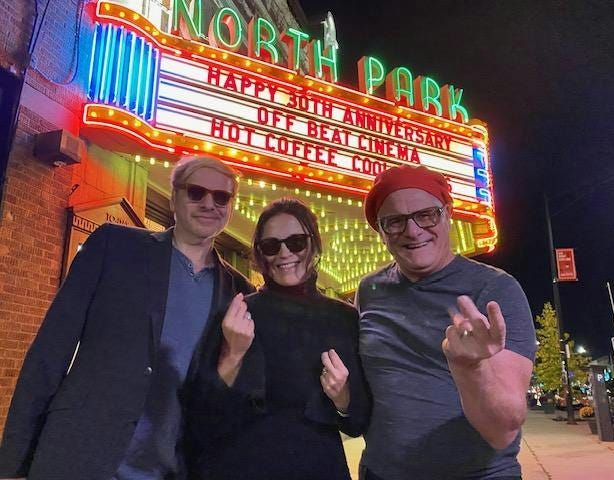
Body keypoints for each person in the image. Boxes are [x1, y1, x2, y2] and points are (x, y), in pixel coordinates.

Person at [0, 155, 254, 480]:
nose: (209, 203)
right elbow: (50, 352)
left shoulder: (239, 292)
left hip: (170, 467)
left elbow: (222, 395)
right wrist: (12, 462)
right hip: (79, 457)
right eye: (196, 192)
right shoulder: (113, 245)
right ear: (175, 197)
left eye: (222, 197)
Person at [356, 165, 537, 480]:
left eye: (427, 214)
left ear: (448, 213)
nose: (412, 231)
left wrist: (471, 368)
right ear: (380, 231)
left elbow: (504, 430)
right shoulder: (368, 290)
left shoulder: (495, 290)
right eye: (394, 221)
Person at [184, 198, 370, 480]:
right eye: (271, 246)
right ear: (260, 254)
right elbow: (203, 416)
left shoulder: (343, 318)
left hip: (318, 466)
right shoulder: (238, 312)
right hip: (238, 466)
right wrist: (232, 355)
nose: (284, 253)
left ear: (313, 244)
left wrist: (343, 398)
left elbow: (358, 422)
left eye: (296, 242)